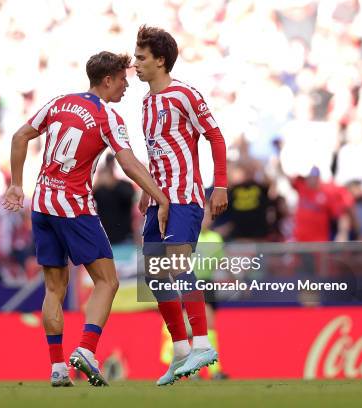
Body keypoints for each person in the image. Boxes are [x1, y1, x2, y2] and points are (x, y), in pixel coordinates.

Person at [3, 51, 170, 387]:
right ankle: (86, 350)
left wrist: (16, 185)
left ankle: (57, 368)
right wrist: (160, 195)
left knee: (55, 287)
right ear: (107, 80)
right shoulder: (107, 116)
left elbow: (20, 136)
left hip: (43, 204)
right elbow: (128, 163)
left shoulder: (58, 103)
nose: (126, 85)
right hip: (74, 207)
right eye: (123, 79)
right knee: (107, 281)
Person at [133, 25, 228, 385]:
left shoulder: (184, 94)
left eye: (142, 57)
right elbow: (156, 151)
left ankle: (203, 343)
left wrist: (219, 185)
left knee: (176, 260)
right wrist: (146, 189)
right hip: (159, 199)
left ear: (160, 59)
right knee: (155, 275)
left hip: (185, 195)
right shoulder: (145, 102)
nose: (136, 63)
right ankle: (181, 351)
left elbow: (215, 136)